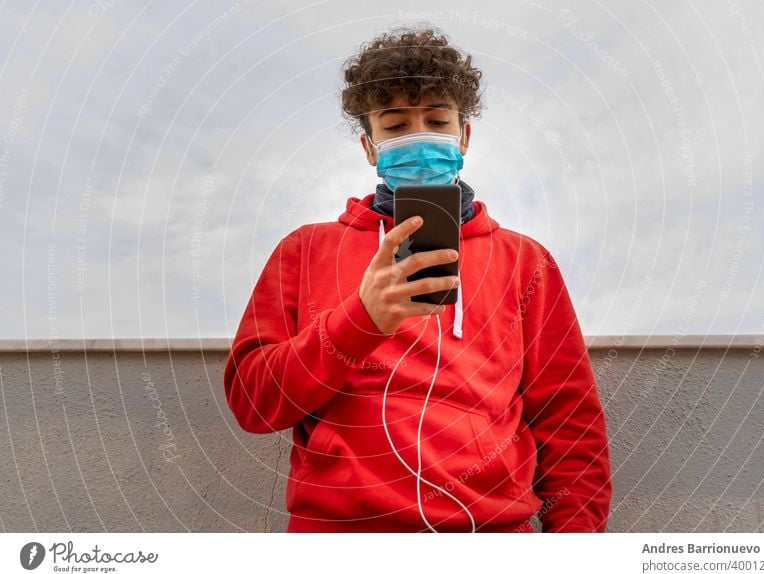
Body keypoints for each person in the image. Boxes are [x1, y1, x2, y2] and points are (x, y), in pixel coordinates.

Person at [223, 25, 612, 533]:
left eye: (436, 120)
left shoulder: (525, 261)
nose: (419, 138)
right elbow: (254, 404)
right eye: (396, 125)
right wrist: (360, 321)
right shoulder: (304, 250)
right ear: (369, 146)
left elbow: (570, 422)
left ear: (464, 135)